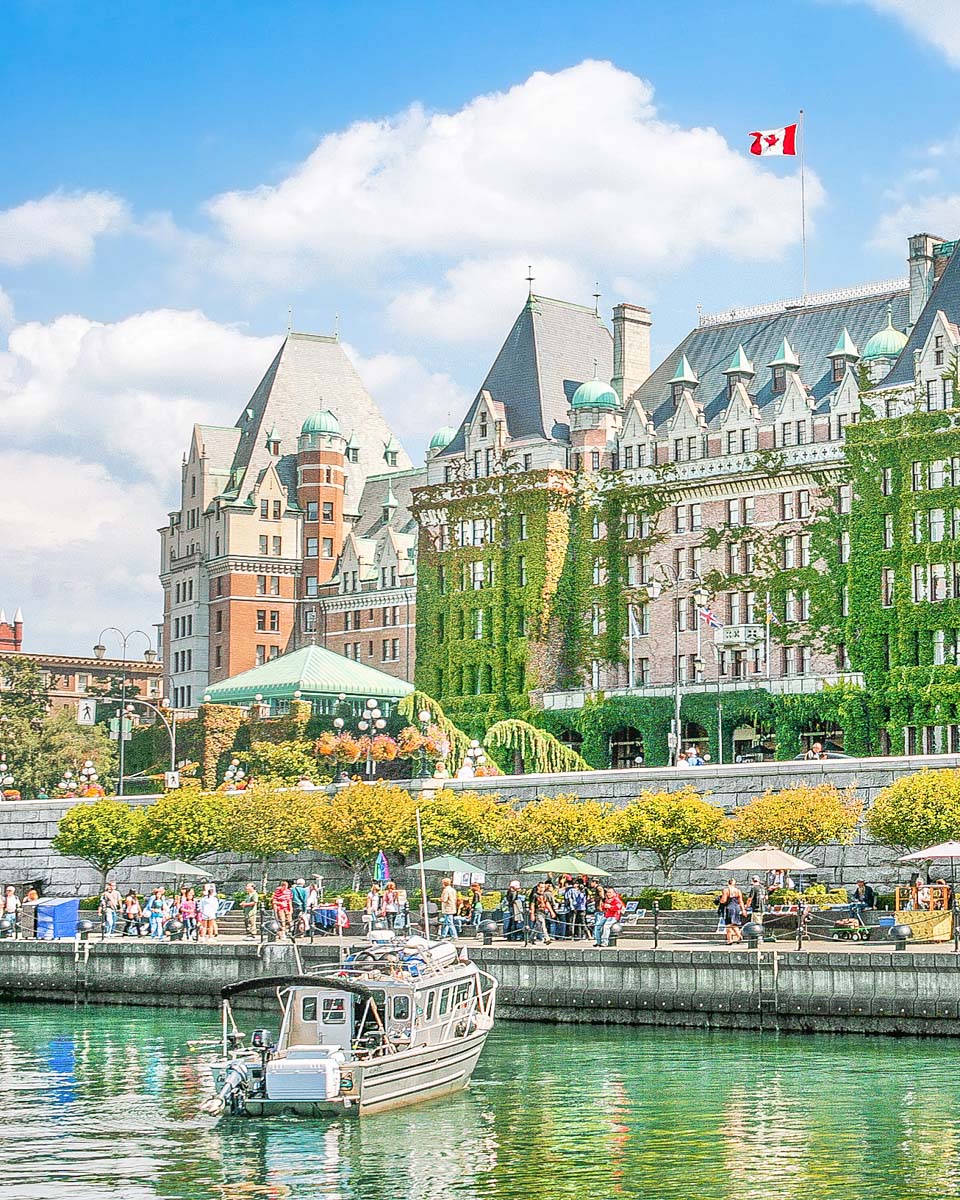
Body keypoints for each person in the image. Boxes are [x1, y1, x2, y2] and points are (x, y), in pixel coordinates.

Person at [719, 878, 746, 945]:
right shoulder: (738, 891)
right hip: (736, 908)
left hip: (729, 908)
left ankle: (730, 939)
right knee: (734, 924)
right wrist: (743, 910)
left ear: (728, 883)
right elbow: (741, 901)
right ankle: (739, 936)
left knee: (728, 924)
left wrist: (719, 900)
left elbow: (724, 900)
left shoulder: (726, 890)